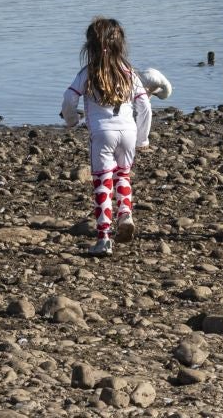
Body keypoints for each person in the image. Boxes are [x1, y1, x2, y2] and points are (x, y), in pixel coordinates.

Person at [60, 17, 153, 258]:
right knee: (123, 175)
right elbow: (144, 105)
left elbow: (69, 98)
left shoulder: (88, 72)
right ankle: (125, 214)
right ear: (120, 44)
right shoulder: (129, 72)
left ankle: (104, 239)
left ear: (89, 47)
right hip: (129, 131)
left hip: (102, 133)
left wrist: (71, 120)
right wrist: (142, 138)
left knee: (102, 182)